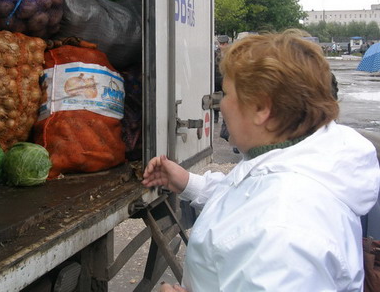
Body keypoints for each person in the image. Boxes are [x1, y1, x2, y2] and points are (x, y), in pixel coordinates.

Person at [143, 33, 380, 291]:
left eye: (226, 93)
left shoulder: (284, 232)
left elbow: (264, 218)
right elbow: (249, 202)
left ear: (261, 108)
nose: (220, 105)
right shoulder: (294, 163)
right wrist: (187, 182)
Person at [214, 35, 229, 123]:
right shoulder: (215, 53)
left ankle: (225, 118)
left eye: (224, 44)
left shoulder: (231, 53)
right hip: (216, 78)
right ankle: (215, 116)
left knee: (226, 98)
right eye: (221, 44)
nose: (222, 46)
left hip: (226, 79)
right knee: (216, 98)